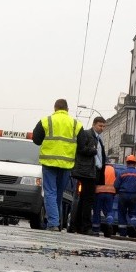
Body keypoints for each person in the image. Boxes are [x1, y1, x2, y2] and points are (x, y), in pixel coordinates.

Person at [32, 99, 82, 231]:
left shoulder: (46, 121)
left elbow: (36, 140)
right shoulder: (75, 124)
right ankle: (56, 222)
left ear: (55, 108)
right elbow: (82, 145)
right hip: (66, 164)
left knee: (50, 193)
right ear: (67, 109)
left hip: (49, 162)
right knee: (58, 194)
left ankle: (53, 223)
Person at [70, 116, 106, 235]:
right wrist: (93, 150)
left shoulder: (99, 139)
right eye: (100, 126)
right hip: (87, 172)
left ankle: (77, 225)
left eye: (103, 126)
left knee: (84, 200)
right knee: (88, 200)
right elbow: (81, 149)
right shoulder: (86, 134)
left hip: (95, 172)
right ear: (94, 124)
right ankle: (85, 227)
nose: (102, 128)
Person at [114, 154, 136, 237]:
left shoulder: (122, 173)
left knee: (122, 213)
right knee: (134, 213)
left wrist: (118, 192)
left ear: (127, 163)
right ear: (135, 163)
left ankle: (123, 233)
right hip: (135, 195)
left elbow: (116, 185)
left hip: (123, 195)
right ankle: (133, 224)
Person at [92, 163, 118, 237]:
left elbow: (95, 180)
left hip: (99, 192)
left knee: (97, 211)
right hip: (110, 193)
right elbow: (116, 182)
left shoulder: (99, 168)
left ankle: (95, 229)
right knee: (109, 211)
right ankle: (109, 221)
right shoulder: (113, 170)